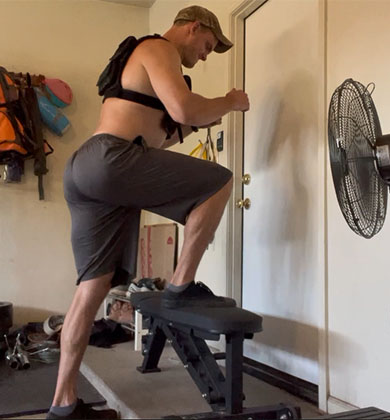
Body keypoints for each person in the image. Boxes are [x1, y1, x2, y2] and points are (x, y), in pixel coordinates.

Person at [47, 5, 250, 420]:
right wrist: (229, 102)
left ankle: (62, 405)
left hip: (88, 169)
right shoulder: (159, 49)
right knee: (220, 180)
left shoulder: (153, 69)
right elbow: (185, 109)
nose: (206, 55)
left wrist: (194, 118)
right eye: (208, 45)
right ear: (193, 28)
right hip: (111, 160)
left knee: (91, 290)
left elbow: (169, 131)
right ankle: (180, 286)